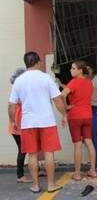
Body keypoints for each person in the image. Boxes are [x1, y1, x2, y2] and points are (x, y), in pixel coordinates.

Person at [8, 52, 67, 193]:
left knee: (32, 154)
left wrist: (12, 120)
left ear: (26, 63)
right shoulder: (46, 78)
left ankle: (35, 185)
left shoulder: (19, 81)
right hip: (47, 121)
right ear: (38, 62)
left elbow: (11, 105)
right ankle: (51, 185)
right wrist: (64, 114)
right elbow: (57, 99)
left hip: (28, 123)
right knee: (49, 153)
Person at [61, 61, 97, 181]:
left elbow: (62, 94)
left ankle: (77, 173)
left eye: (73, 68)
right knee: (89, 142)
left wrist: (66, 107)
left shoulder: (74, 82)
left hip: (75, 116)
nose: (71, 70)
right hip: (88, 115)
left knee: (77, 145)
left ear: (80, 70)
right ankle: (92, 170)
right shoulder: (89, 83)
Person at [8, 67, 32, 183]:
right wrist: (14, 122)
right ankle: (20, 175)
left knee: (25, 149)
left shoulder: (17, 88)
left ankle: (31, 172)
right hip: (18, 125)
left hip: (18, 124)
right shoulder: (17, 90)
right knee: (22, 150)